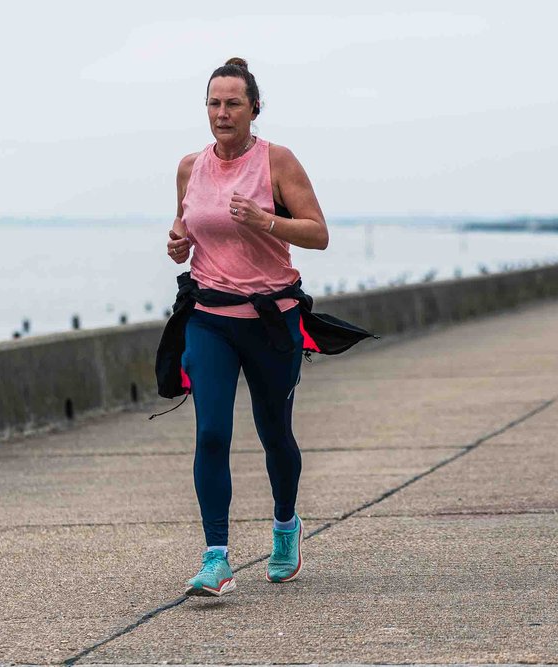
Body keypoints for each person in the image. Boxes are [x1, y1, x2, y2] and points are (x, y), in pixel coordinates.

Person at [159, 57, 373, 597]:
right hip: (209, 318)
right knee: (211, 433)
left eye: (233, 103)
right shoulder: (190, 168)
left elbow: (317, 233)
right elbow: (185, 235)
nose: (222, 113)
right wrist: (177, 245)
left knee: (273, 433)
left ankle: (285, 527)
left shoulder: (277, 161)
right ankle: (216, 558)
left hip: (271, 320)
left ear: (255, 108)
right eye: (214, 103)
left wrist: (264, 221)